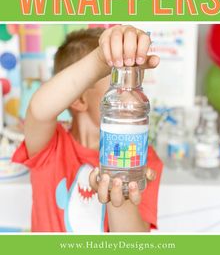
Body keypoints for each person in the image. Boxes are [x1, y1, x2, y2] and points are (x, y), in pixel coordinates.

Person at [12, 25, 163, 233]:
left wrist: (121, 199)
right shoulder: (51, 147)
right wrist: (100, 59)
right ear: (79, 98)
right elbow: (39, 110)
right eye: (116, 82)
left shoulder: (140, 156)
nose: (130, 96)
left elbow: (134, 242)